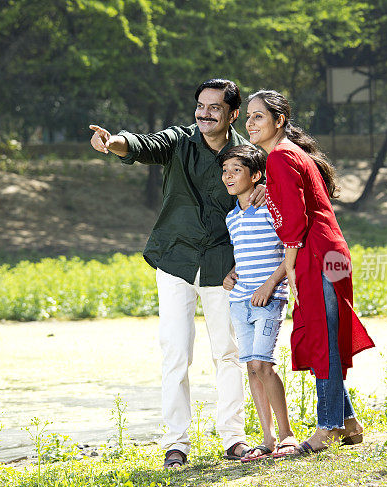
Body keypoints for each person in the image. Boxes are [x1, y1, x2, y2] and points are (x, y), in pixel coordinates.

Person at [89, 78, 266, 467]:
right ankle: (176, 443)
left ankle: (235, 438)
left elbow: (267, 193)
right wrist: (113, 141)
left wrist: (264, 191)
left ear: (232, 114)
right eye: (200, 106)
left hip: (225, 265)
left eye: (214, 108)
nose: (204, 113)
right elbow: (143, 144)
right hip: (175, 260)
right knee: (175, 352)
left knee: (228, 352)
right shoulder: (180, 141)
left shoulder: (248, 155)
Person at [243, 89, 375, 456]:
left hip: (316, 254)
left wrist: (291, 268)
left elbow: (294, 223)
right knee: (324, 336)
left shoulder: (281, 158)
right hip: (328, 250)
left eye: (258, 116)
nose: (249, 123)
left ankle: (327, 426)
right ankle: (348, 423)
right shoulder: (288, 156)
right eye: (248, 116)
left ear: (279, 120)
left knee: (322, 339)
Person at [219, 144, 298, 462]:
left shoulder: (271, 209)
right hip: (240, 301)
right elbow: (247, 254)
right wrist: (232, 273)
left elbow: (288, 250)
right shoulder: (231, 218)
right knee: (251, 368)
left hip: (269, 299)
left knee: (264, 366)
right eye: (225, 171)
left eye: (236, 170)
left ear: (256, 175)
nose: (228, 176)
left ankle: (287, 435)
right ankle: (266, 440)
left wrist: (270, 285)